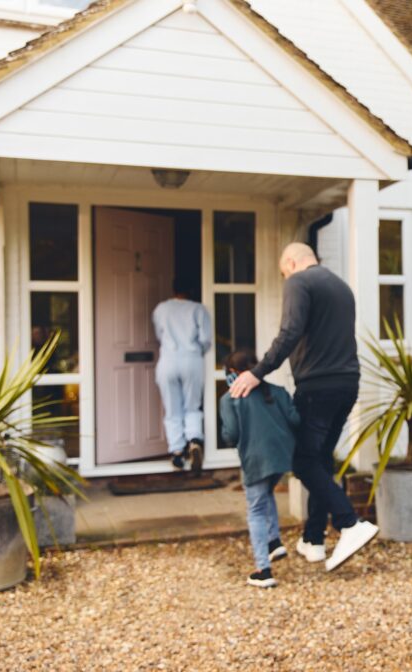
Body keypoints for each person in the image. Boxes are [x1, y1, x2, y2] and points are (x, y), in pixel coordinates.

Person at [228, 242, 378, 572]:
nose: (285, 279)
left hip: (317, 387)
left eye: (284, 272)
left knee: (304, 461)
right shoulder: (340, 286)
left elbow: (290, 331)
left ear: (292, 263)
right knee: (321, 460)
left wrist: (256, 372)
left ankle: (350, 523)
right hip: (347, 383)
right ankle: (313, 540)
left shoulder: (298, 281)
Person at [220, 350, 297, 588]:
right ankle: (274, 541)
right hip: (282, 458)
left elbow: (231, 435)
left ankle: (262, 569)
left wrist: (226, 437)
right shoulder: (277, 391)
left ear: (233, 374)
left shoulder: (230, 398)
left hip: (255, 459)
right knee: (266, 495)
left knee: (255, 510)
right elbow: (296, 421)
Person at [152, 277, 211, 474]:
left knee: (172, 408)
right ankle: (194, 439)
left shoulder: (161, 308)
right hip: (191, 358)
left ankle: (177, 451)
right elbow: (205, 339)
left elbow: (159, 334)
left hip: (168, 359)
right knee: (192, 405)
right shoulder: (198, 309)